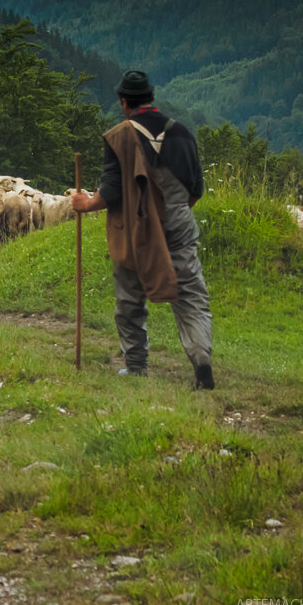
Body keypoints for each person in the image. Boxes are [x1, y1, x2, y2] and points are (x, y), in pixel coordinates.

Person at [70, 70, 214, 390]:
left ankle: (136, 366)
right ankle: (201, 356)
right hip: (179, 222)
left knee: (130, 296)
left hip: (137, 226)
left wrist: (85, 203)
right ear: (151, 98)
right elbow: (196, 189)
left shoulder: (120, 135)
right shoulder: (182, 134)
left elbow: (112, 193)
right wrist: (174, 212)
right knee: (190, 295)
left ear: (124, 102)